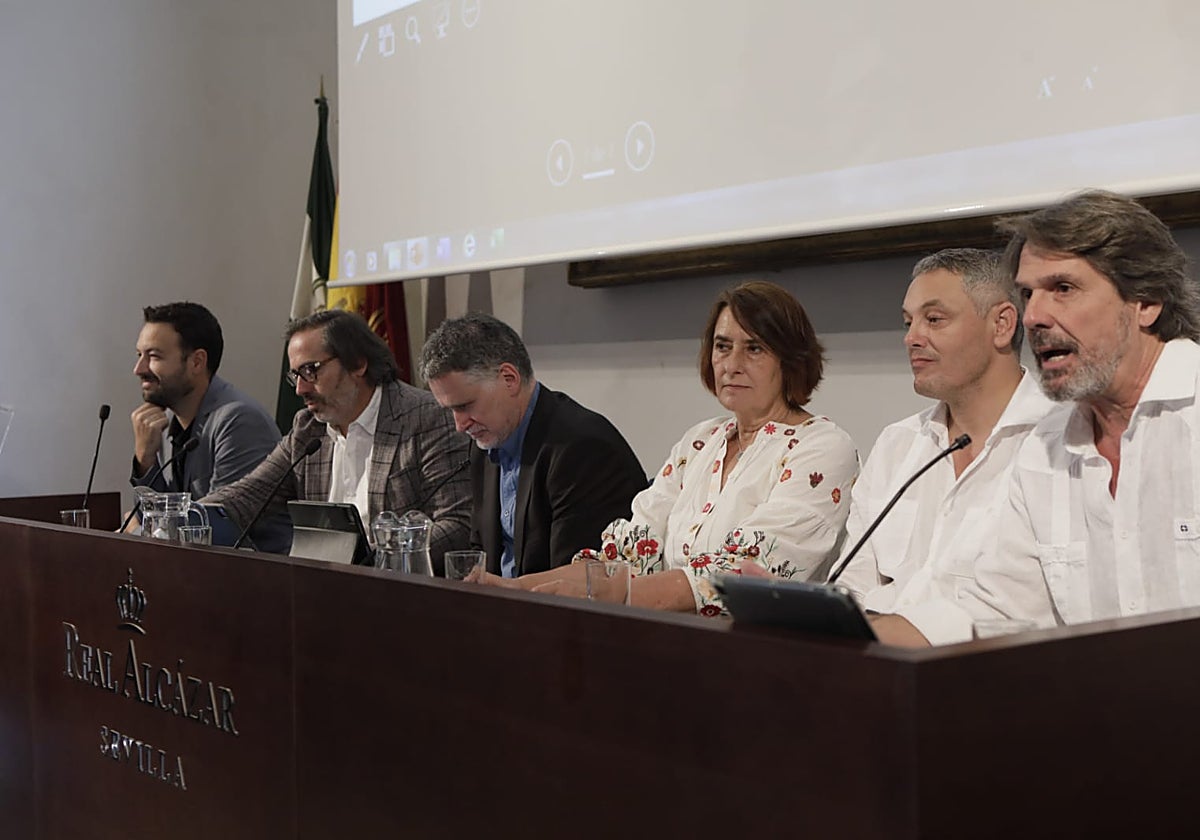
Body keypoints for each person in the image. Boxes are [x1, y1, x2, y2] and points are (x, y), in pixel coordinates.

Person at [494, 280, 859, 615]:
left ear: (791, 360)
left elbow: (742, 573)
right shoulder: (701, 441)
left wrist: (608, 597)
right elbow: (626, 557)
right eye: (722, 346)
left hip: (765, 654)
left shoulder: (822, 447)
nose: (732, 365)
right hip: (675, 641)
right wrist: (511, 589)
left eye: (754, 349)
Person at [968, 189, 1200, 628]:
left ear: (1146, 302)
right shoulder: (1044, 447)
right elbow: (999, 614)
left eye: (1063, 289)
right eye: (1027, 294)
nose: (1033, 316)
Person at [832, 249, 1055, 646]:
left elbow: (1022, 610)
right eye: (908, 322)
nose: (912, 338)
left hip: (991, 677)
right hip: (875, 667)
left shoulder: (1057, 442)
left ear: (1002, 324)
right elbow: (853, 581)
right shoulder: (898, 444)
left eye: (933, 320)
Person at [204, 309, 472, 561]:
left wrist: (373, 563)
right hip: (328, 592)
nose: (300, 388)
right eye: (295, 375)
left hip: (404, 594)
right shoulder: (308, 428)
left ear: (357, 364)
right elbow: (248, 495)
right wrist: (186, 516)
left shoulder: (426, 417)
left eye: (311, 370)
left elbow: (456, 524)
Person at [420, 313, 648, 578]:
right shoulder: (486, 441)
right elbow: (483, 552)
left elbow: (576, 581)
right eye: (450, 410)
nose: (459, 425)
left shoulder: (582, 448)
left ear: (509, 378)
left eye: (465, 406)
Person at [130, 302, 289, 551]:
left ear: (197, 362)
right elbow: (159, 517)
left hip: (257, 580)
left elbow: (219, 528)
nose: (139, 369)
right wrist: (146, 460)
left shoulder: (238, 420)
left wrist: (138, 532)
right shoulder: (171, 423)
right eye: (139, 355)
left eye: (154, 356)